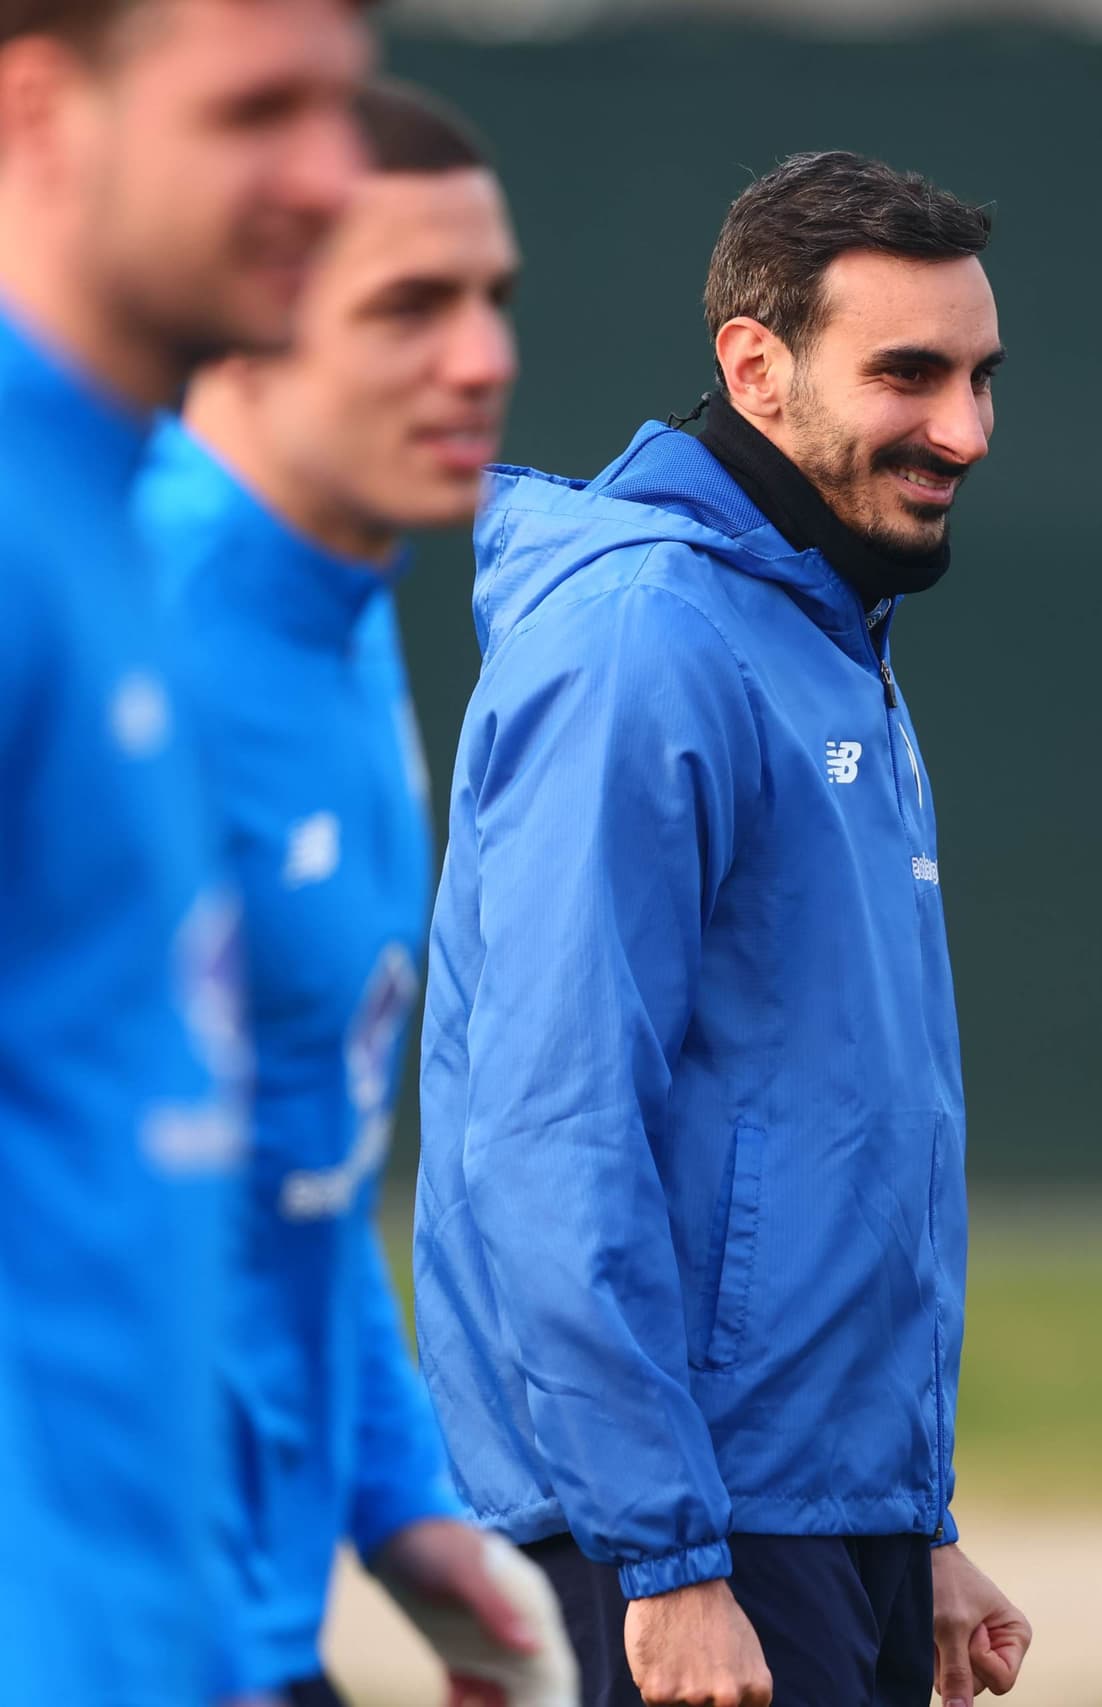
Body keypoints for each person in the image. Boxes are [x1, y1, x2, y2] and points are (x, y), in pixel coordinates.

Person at [414, 150, 1035, 1707]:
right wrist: (668, 1555)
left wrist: (910, 1521)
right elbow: (549, 1130)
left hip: (814, 1520)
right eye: (908, 374)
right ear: (754, 367)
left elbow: (821, 1120)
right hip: (681, 1544)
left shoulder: (827, 634)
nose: (963, 429)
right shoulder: (644, 638)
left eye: (978, 376)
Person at [135, 81, 578, 1707]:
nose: (482, 357)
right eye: (409, 306)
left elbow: (292, 1184)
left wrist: (408, 1516)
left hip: (251, 1634)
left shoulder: (349, 610)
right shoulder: (110, 635)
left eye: (492, 299)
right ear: (244, 309)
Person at [0, 0, 370, 1701]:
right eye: (254, 113)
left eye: (344, 111)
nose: (331, 176)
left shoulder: (115, 519)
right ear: (44, 113)